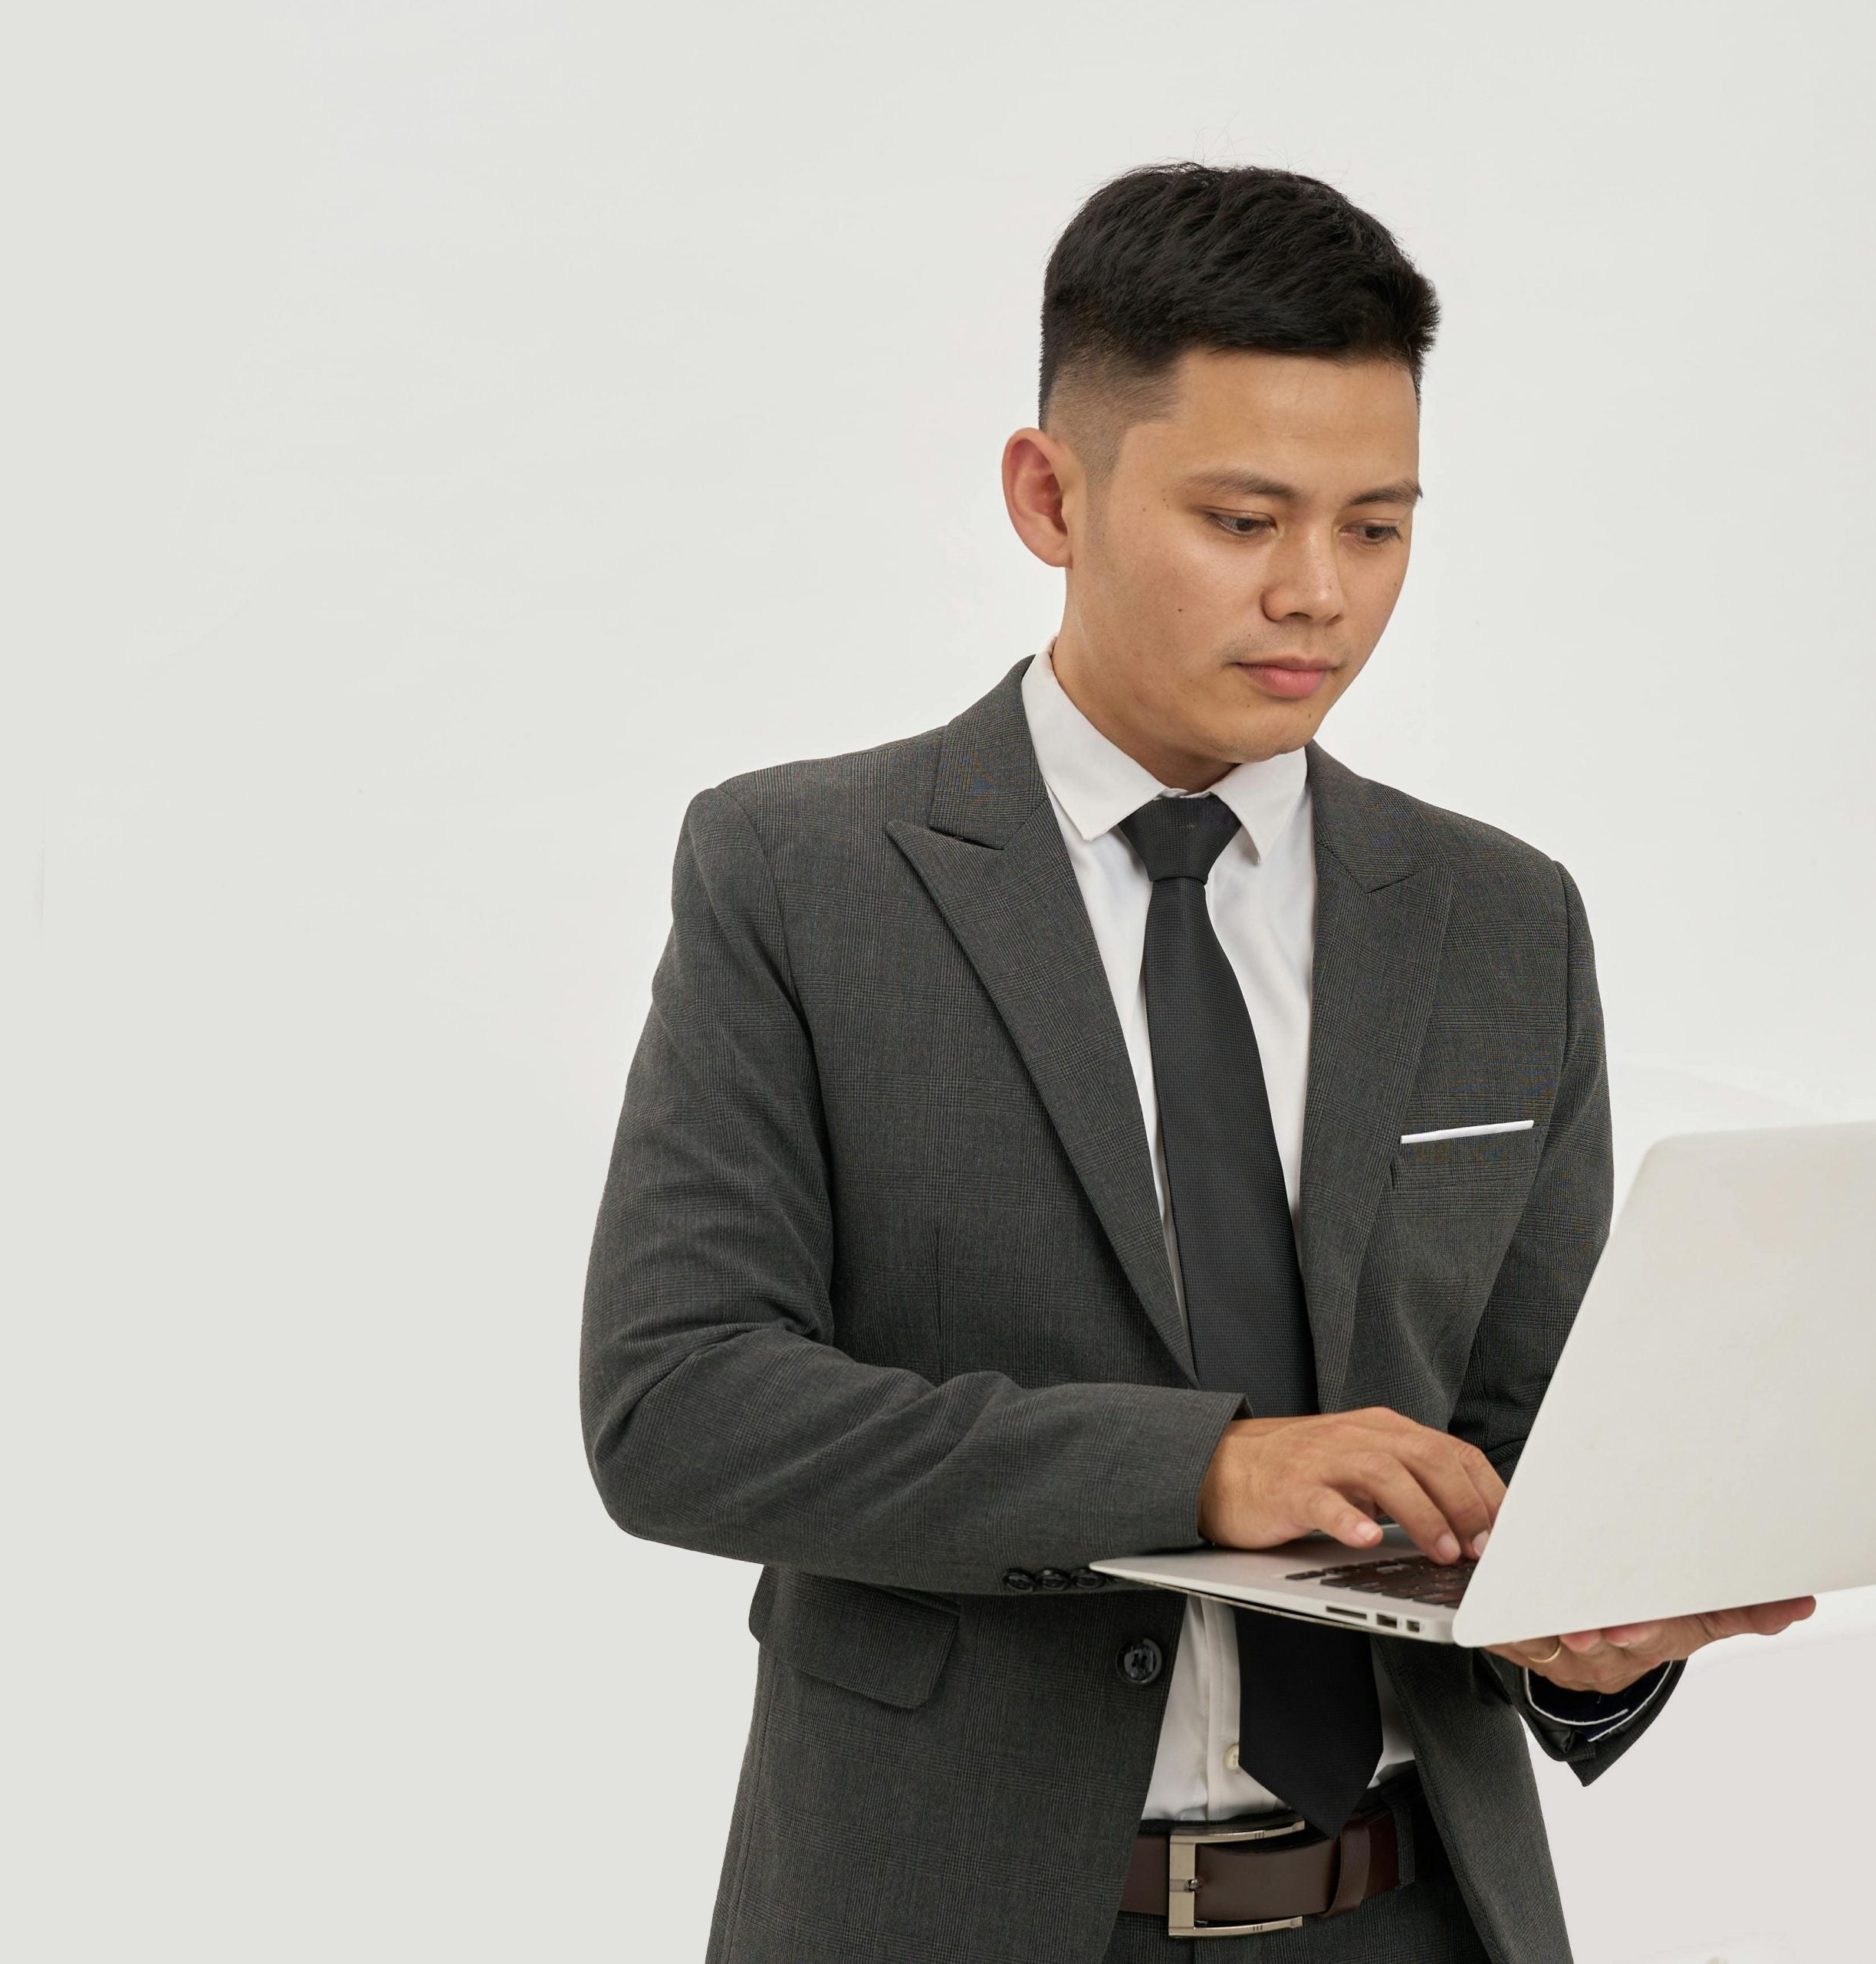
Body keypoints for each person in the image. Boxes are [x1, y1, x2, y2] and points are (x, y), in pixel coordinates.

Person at [580, 163, 1813, 1963]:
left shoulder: (1501, 921)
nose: (1317, 594)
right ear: (1049, 495)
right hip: (957, 1918)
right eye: (1244, 519)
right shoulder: (801, 877)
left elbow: (1522, 1445)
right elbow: (679, 1410)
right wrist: (1202, 1471)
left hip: (1418, 1910)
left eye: (1376, 528)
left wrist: (1589, 1635)